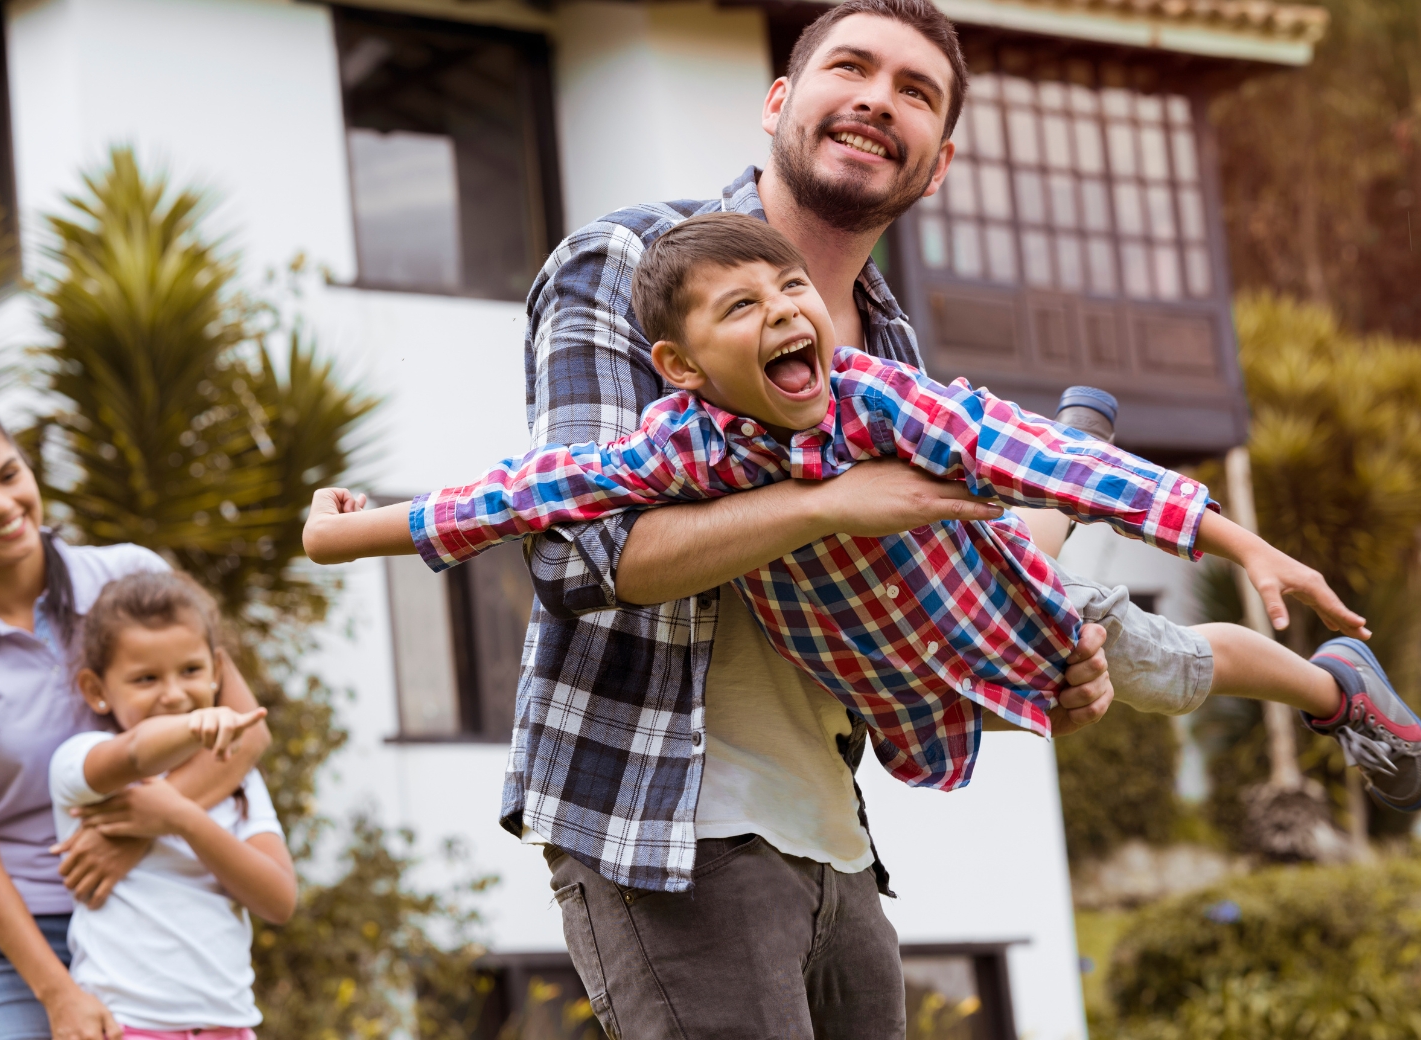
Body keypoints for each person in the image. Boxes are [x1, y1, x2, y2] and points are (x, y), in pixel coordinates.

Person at [387, 0, 1105, 1034]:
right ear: (779, 102)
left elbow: (905, 621)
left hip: (834, 830)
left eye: (914, 91)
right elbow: (586, 556)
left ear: (936, 165)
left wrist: (1039, 672)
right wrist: (830, 501)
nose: (875, 99)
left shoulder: (892, 357)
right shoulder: (632, 264)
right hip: (661, 816)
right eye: (849, 67)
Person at [301, 211, 1421, 811]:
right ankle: (1074, 435)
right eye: (743, 304)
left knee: (1151, 654)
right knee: (996, 512)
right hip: (919, 645)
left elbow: (1011, 451)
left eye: (795, 287)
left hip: (996, 601)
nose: (788, 308)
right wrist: (339, 531)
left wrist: (1232, 536)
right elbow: (515, 495)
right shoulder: (673, 448)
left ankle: (1337, 687)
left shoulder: (874, 393)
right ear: (680, 365)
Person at [0, 398, 272, 1040]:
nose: (1, 505)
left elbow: (247, 730)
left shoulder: (130, 574)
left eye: (9, 475)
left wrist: (133, 836)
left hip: (146, 904)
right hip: (13, 936)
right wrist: (57, 994)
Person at [49, 572, 295, 1040]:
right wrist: (198, 725)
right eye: (145, 678)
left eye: (191, 671)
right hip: (124, 1026)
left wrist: (181, 819)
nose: (175, 693)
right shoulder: (80, 765)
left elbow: (279, 901)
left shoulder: (238, 778)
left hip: (229, 1026)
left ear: (217, 672)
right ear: (95, 689)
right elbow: (139, 750)